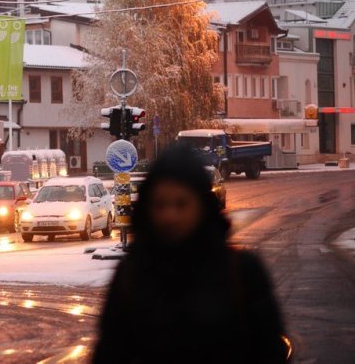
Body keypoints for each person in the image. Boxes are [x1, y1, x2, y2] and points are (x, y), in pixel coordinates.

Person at [93, 145, 286, 364]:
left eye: (181, 204)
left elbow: (269, 350)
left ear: (202, 207)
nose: (170, 216)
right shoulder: (131, 274)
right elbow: (109, 351)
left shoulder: (241, 271)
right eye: (160, 204)